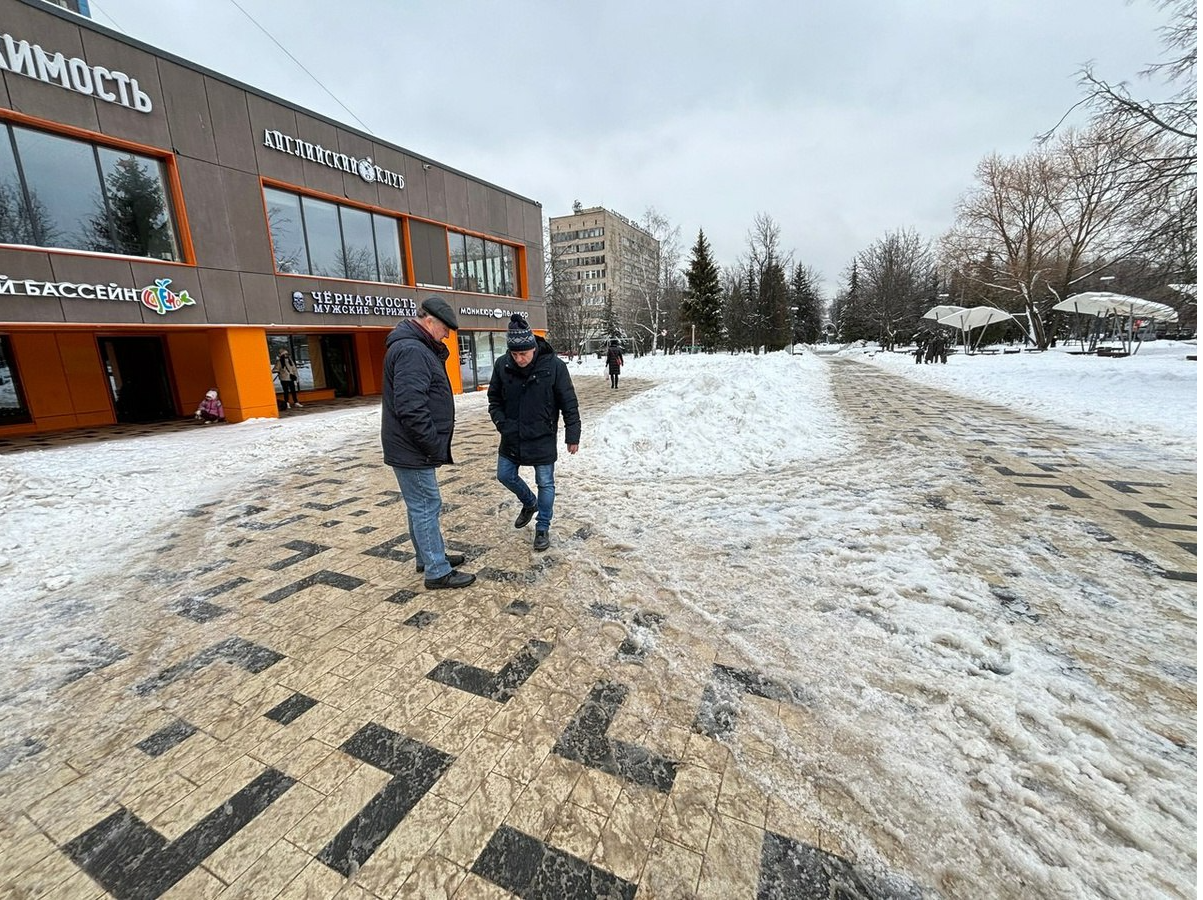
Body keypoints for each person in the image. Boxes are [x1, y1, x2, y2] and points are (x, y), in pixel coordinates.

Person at [381, 297, 475, 589]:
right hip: (413, 447)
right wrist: (432, 444)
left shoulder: (413, 346)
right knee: (426, 505)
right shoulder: (412, 350)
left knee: (418, 505)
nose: (447, 335)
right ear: (430, 321)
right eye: (445, 329)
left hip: (407, 446)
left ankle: (428, 556)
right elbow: (411, 408)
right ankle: (437, 570)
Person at [489, 314, 581, 552]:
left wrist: (573, 435)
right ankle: (529, 503)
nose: (519, 359)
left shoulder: (554, 366)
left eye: (524, 354)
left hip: (542, 436)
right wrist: (502, 423)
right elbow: (494, 399)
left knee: (546, 483)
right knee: (504, 475)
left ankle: (542, 528)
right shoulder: (502, 365)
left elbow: (568, 402)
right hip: (511, 435)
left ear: (533, 348)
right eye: (515, 354)